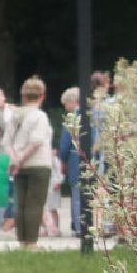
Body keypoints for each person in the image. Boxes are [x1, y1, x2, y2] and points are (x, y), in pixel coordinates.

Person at [3, 77, 53, 248]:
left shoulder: (15, 115)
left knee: (21, 204)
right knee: (34, 205)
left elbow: (6, 142)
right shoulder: (40, 116)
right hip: (38, 165)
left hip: (19, 166)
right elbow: (36, 142)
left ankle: (22, 241)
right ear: (42, 96)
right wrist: (22, 157)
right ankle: (31, 243)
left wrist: (15, 159)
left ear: (23, 96)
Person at [58, 87, 84, 235]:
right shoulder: (91, 115)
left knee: (76, 194)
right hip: (91, 160)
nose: (65, 107)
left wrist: (62, 160)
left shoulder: (71, 119)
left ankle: (78, 226)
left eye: (66, 104)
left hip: (74, 160)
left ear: (72, 102)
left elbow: (64, 145)